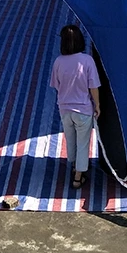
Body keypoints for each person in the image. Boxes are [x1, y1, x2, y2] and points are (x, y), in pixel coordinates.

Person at [50, 25, 100, 189]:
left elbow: (56, 85)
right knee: (83, 142)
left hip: (64, 108)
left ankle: (74, 165)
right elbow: (93, 86)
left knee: (70, 140)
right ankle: (78, 177)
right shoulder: (87, 60)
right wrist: (97, 105)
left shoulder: (58, 61)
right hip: (83, 109)